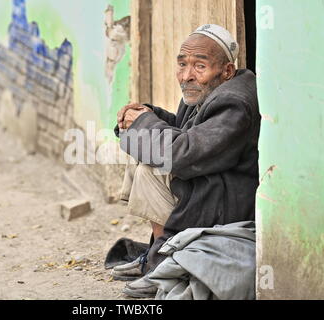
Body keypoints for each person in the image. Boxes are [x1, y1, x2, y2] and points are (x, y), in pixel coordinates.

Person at [112, 24, 261, 298]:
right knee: (146, 150)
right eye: (182, 64)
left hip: (226, 202)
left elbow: (183, 153)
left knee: (152, 166)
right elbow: (186, 130)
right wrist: (147, 114)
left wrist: (143, 124)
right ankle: (159, 255)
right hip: (210, 185)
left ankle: (161, 263)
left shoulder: (233, 103)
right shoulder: (205, 89)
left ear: (226, 71)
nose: (187, 75)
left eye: (199, 66)